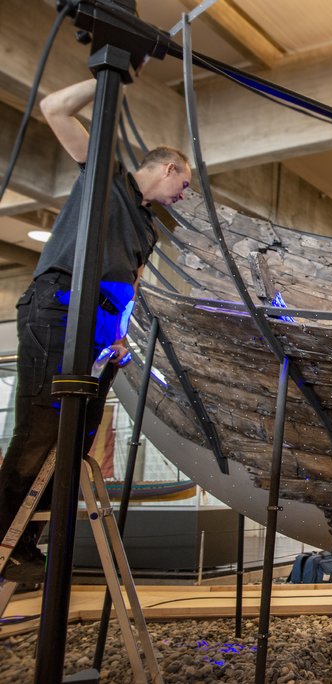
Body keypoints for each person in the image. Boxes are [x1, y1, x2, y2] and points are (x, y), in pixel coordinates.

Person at [0, 78, 191, 585]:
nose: (183, 194)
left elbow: (128, 285)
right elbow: (53, 108)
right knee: (43, 426)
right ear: (168, 168)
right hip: (58, 309)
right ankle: (4, 537)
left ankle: (28, 540)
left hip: (100, 328)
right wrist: (116, 73)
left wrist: (120, 335)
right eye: (184, 184)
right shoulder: (104, 177)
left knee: (77, 440)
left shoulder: (148, 227)